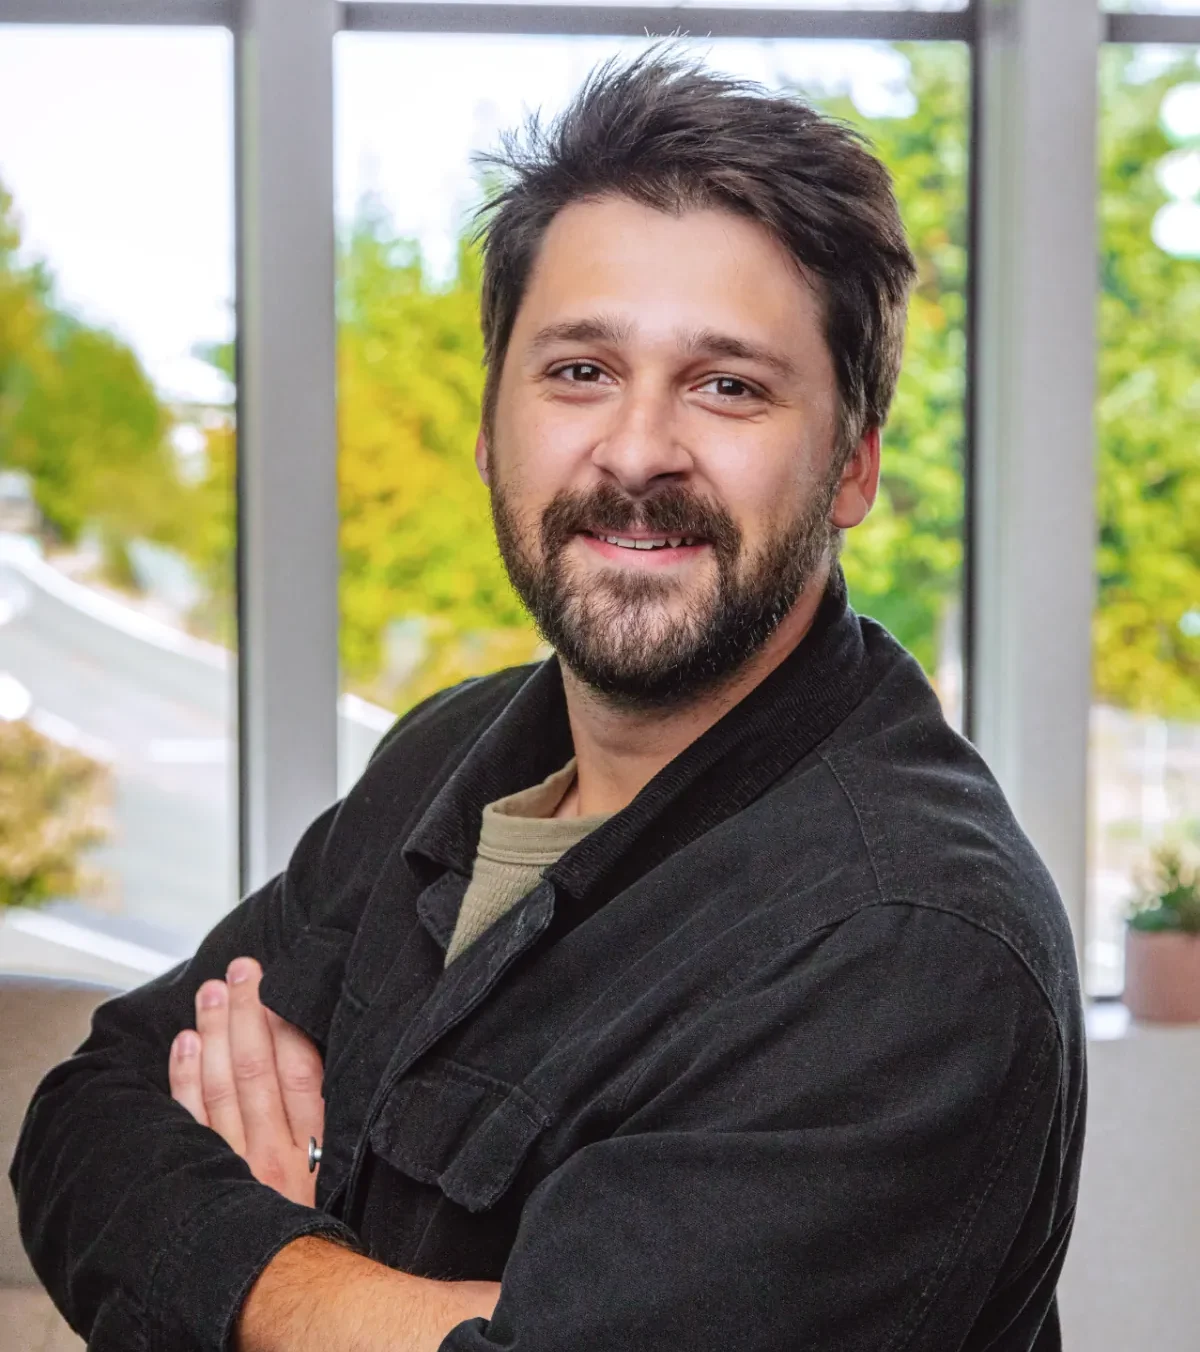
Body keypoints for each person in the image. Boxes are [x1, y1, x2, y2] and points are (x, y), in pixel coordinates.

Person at [10, 47, 1086, 1352]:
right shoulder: (452, 752)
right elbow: (86, 1117)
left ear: (852, 466)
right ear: (490, 429)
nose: (636, 452)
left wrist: (253, 1264)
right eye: (580, 371)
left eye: (729, 386)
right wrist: (366, 1301)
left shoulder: (909, 942)